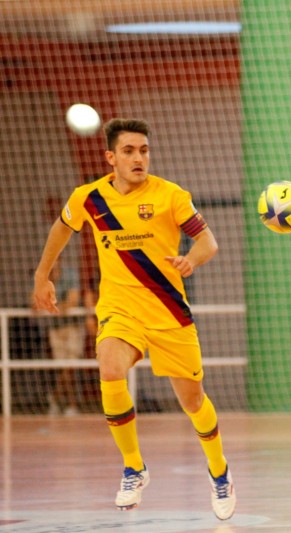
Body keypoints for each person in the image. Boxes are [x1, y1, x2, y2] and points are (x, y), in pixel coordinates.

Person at [32, 118, 236, 519]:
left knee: (193, 402)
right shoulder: (89, 198)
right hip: (119, 309)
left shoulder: (171, 196)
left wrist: (190, 260)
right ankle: (133, 466)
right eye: (128, 151)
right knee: (109, 369)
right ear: (111, 157)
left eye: (143, 150)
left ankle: (220, 472)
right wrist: (42, 276)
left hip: (168, 312)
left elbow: (207, 242)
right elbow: (61, 228)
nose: (138, 157)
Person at [42, 259, 83, 416]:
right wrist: (56, 306)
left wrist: (53, 307)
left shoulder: (70, 274)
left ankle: (55, 398)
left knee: (70, 365)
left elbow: (73, 301)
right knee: (62, 366)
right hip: (55, 327)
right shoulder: (42, 276)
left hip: (71, 326)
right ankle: (68, 404)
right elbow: (35, 303)